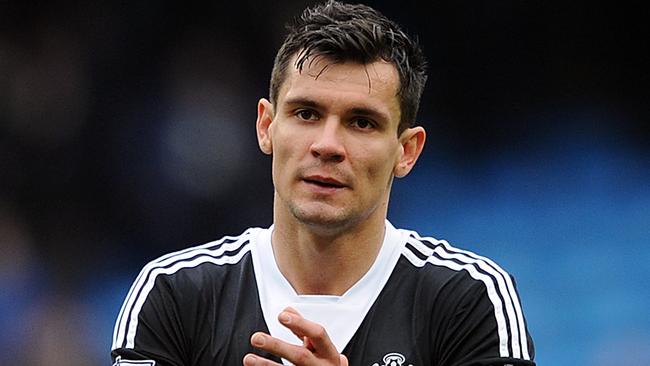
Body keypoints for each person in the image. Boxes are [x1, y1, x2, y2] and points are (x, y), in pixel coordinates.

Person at [111, 1, 536, 365]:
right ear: (266, 126)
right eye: (306, 113)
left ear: (406, 151)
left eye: (362, 122)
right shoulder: (173, 295)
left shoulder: (470, 300)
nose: (328, 145)